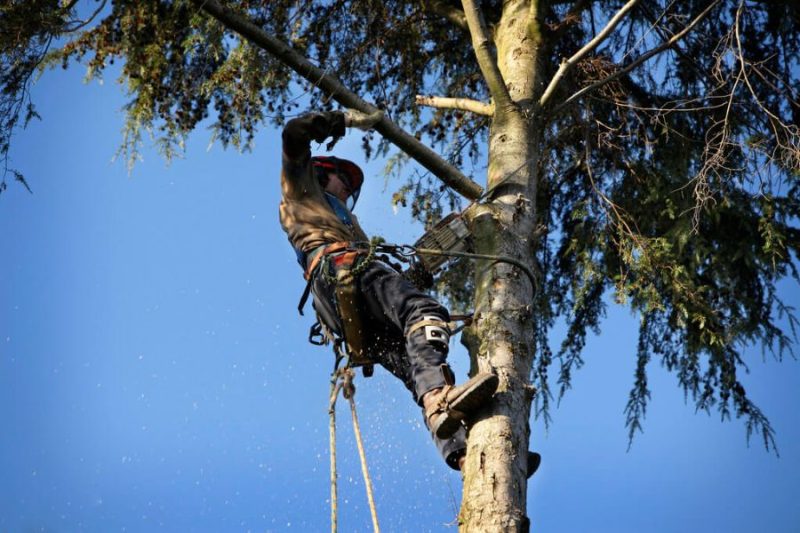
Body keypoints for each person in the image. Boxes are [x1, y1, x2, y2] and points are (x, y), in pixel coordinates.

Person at [279, 109, 539, 475]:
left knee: (413, 366)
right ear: (322, 172)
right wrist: (332, 121)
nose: (349, 191)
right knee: (426, 313)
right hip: (338, 269)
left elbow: (386, 293)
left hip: (344, 304)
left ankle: (466, 455)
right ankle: (439, 400)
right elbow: (293, 134)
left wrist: (420, 268)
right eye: (345, 183)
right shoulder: (301, 190)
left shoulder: (349, 227)